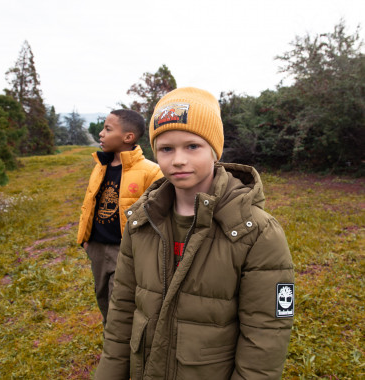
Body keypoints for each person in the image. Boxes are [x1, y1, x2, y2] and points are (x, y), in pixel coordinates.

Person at [95, 88, 294, 379]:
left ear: (215, 150)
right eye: (166, 148)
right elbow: (121, 314)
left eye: (192, 146)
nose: (177, 160)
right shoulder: (140, 222)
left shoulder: (258, 232)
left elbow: (266, 334)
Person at [77, 109, 162, 325]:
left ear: (128, 137)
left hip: (125, 250)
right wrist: (86, 242)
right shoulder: (100, 167)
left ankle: (126, 350)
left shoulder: (150, 172)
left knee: (122, 304)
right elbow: (89, 205)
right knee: (103, 297)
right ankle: (112, 345)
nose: (101, 134)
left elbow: (159, 216)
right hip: (96, 248)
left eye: (108, 129)